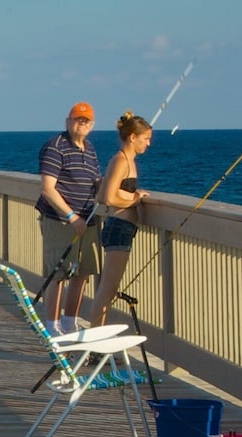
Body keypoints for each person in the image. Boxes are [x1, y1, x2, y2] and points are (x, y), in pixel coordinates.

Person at [33, 102, 102, 335]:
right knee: (58, 272)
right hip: (61, 221)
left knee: (82, 273)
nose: (80, 124)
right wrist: (72, 216)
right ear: (67, 121)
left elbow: (97, 183)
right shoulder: (56, 147)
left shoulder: (90, 149)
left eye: (85, 121)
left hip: (88, 220)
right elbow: (48, 188)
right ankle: (52, 327)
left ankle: (70, 322)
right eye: (76, 119)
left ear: (91, 125)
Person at [84, 112, 154, 326]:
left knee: (108, 288)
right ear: (132, 137)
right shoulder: (121, 160)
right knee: (107, 289)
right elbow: (107, 197)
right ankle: (94, 346)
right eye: (145, 139)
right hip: (119, 226)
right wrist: (134, 200)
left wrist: (132, 195)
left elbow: (102, 193)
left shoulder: (127, 161)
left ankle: (96, 344)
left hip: (122, 227)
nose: (148, 144)